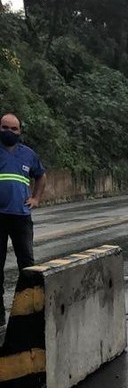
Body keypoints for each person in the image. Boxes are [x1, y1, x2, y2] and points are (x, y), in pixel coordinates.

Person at [0, 113, 46, 326]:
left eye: (13, 128)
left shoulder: (28, 154)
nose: (9, 132)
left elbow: (41, 176)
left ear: (20, 131)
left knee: (27, 265)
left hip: (21, 218)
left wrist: (36, 198)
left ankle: (29, 311)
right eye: (4, 127)